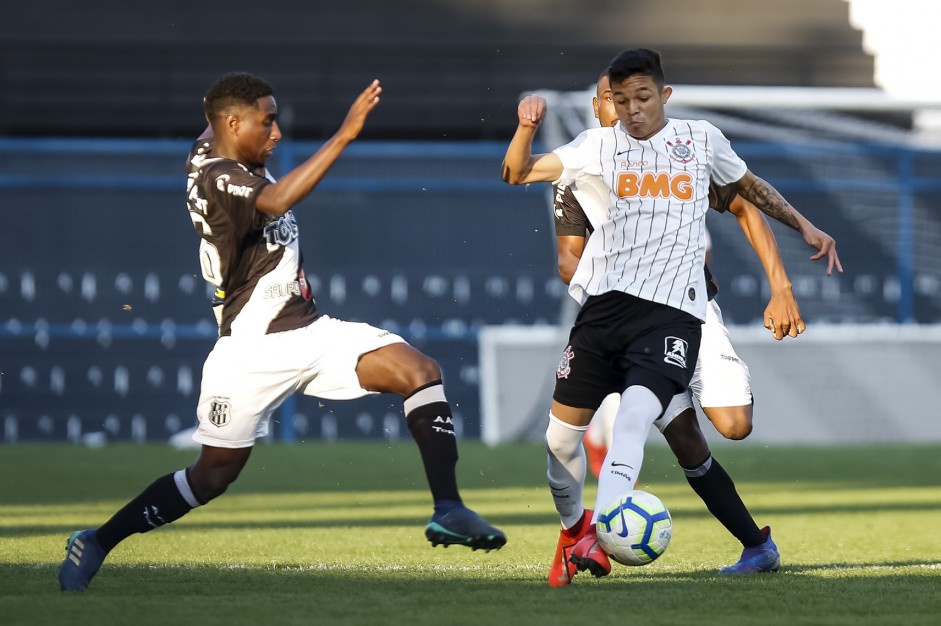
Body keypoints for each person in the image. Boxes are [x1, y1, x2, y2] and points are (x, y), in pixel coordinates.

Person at [58, 72, 505, 592]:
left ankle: (448, 508)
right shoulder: (216, 174)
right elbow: (275, 202)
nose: (276, 133)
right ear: (231, 123)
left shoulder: (227, 152)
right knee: (212, 475)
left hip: (312, 330)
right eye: (266, 121)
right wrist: (345, 134)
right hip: (249, 351)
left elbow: (223, 139)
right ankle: (98, 540)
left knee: (420, 371)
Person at [502, 49, 840, 582]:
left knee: (725, 422)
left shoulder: (692, 145)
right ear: (599, 106)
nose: (627, 111)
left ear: (662, 96)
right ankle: (595, 532)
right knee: (660, 439)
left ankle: (605, 524)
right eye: (617, 100)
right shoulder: (585, 161)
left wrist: (789, 267)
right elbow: (562, 248)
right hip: (611, 315)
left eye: (639, 98)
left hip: (687, 309)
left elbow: (746, 199)